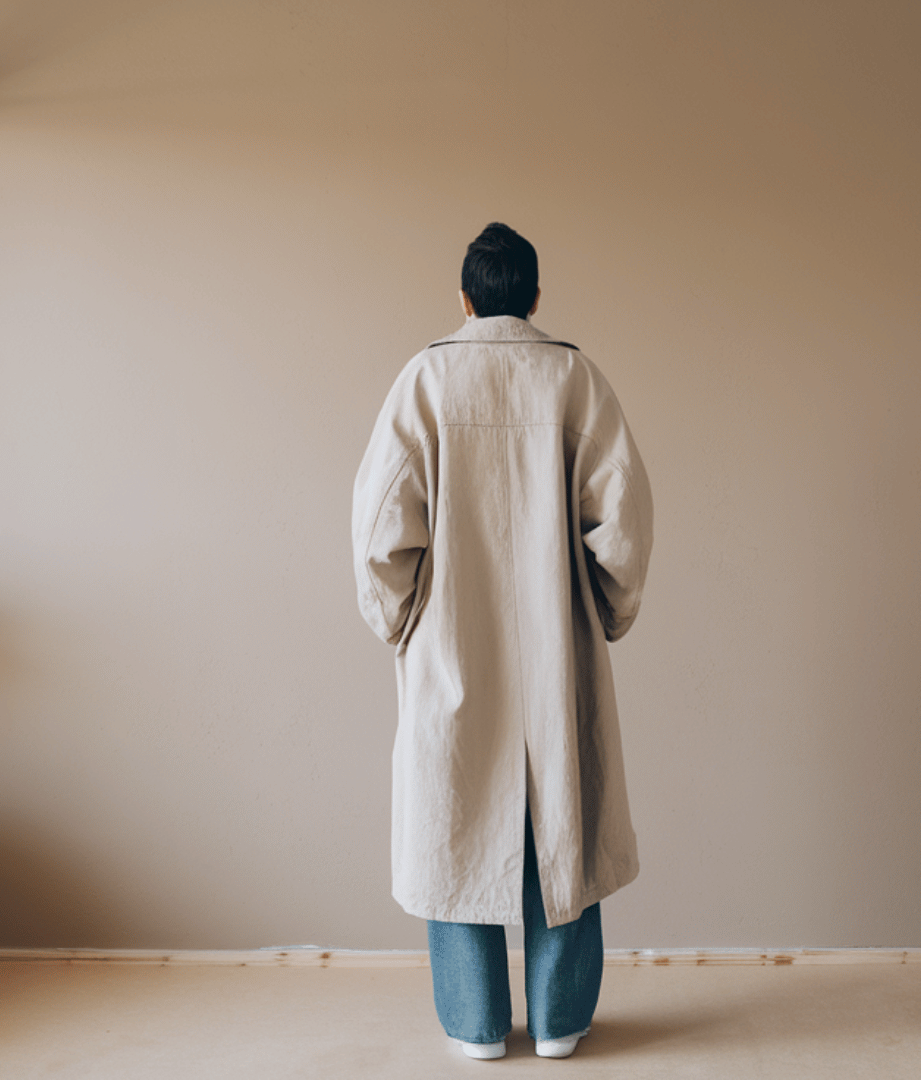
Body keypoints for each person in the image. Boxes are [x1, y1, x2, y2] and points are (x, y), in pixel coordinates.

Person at [351, 222, 654, 1060]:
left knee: (457, 816)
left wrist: (402, 619)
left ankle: (475, 1023)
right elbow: (623, 518)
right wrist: (607, 609)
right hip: (559, 644)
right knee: (564, 814)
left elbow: (380, 529)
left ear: (465, 298)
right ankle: (560, 1021)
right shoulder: (574, 379)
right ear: (533, 298)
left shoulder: (426, 382)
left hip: (454, 639)